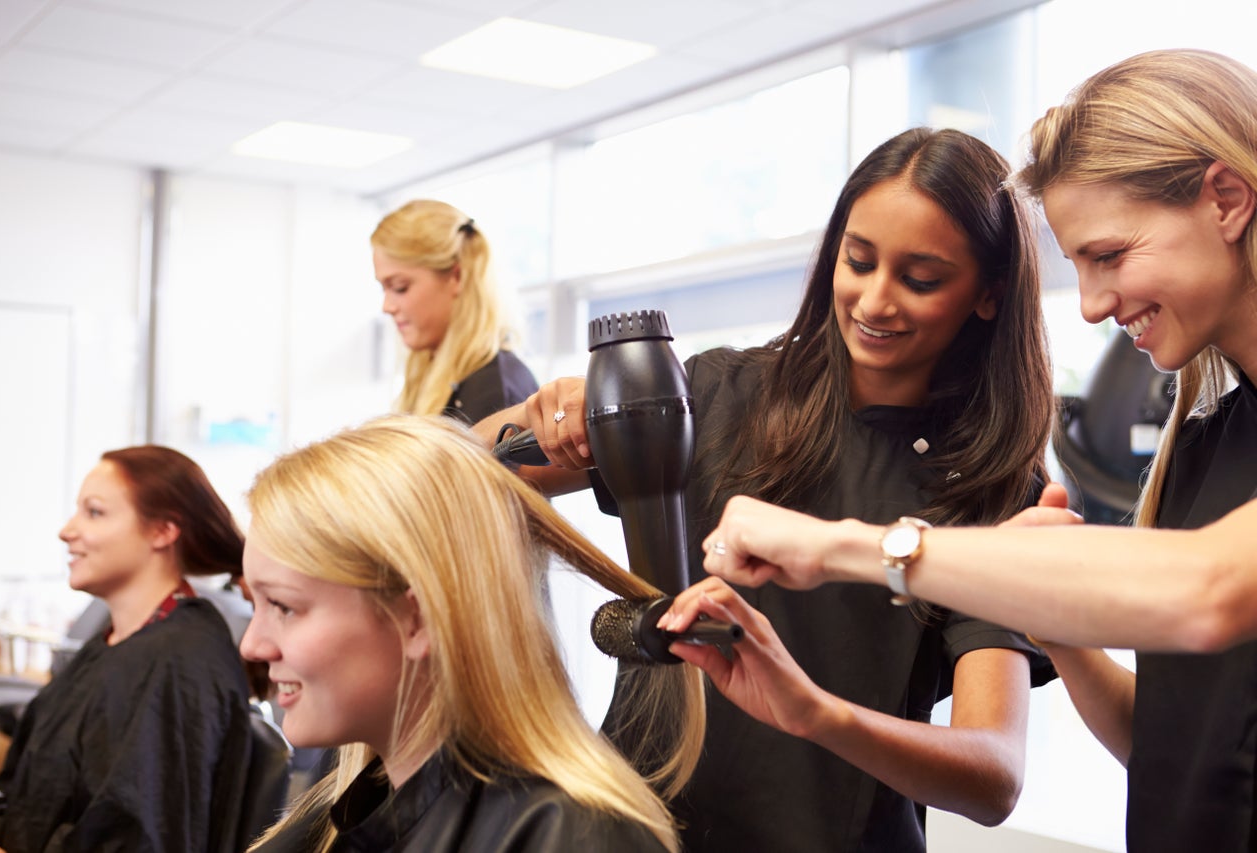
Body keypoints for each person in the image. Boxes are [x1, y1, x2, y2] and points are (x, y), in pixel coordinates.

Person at [690, 48, 1257, 853]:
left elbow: (1210, 592)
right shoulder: (1207, 444)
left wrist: (845, 546)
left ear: (1227, 199)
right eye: (1079, 267)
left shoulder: (993, 485)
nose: (1093, 304)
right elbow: (1171, 747)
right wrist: (1052, 617)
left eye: (1109, 256)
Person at [475, 127, 1056, 852]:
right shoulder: (720, 393)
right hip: (631, 832)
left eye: (921, 278)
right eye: (858, 260)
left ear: (988, 295)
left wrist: (814, 712)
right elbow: (464, 476)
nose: (874, 301)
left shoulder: (993, 488)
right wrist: (540, 416)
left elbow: (992, 774)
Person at [239, 415, 705, 852]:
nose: (252, 645)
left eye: (283, 606)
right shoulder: (340, 820)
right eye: (253, 605)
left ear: (419, 619)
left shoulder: (570, 838)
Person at [0, 446, 253, 853]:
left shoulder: (178, 663)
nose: (67, 531)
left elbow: (142, 840)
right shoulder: (113, 643)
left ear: (162, 531)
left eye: (94, 512)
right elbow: (33, 799)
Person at [372, 198, 537, 424]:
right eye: (384, 289)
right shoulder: (438, 375)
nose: (387, 306)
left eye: (400, 287)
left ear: (456, 277)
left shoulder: (496, 389)